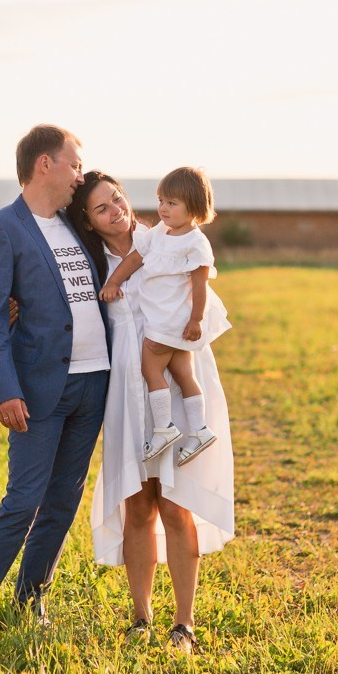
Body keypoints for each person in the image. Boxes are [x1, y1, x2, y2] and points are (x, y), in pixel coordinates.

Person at [0, 125, 110, 646]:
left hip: (94, 382)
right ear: (44, 164)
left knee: (62, 504)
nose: (81, 175)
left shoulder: (77, 224)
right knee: (23, 502)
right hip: (38, 390)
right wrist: (5, 388)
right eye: (74, 164)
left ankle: (31, 599)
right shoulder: (1, 228)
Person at [70, 171, 234, 654]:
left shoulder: (166, 239)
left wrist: (184, 347)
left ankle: (184, 624)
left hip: (173, 380)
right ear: (88, 221)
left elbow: (206, 310)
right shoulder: (90, 263)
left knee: (175, 502)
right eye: (102, 208)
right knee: (138, 504)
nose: (116, 210)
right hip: (125, 386)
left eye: (117, 199)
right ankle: (141, 617)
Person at [100, 167, 231, 467]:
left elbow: (200, 285)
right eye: (161, 201)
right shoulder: (160, 232)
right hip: (174, 323)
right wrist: (114, 281)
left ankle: (164, 428)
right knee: (184, 374)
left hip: (167, 322)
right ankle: (199, 430)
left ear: (194, 207)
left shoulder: (195, 243)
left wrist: (196, 320)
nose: (163, 208)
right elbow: (135, 258)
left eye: (172, 203)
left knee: (150, 369)